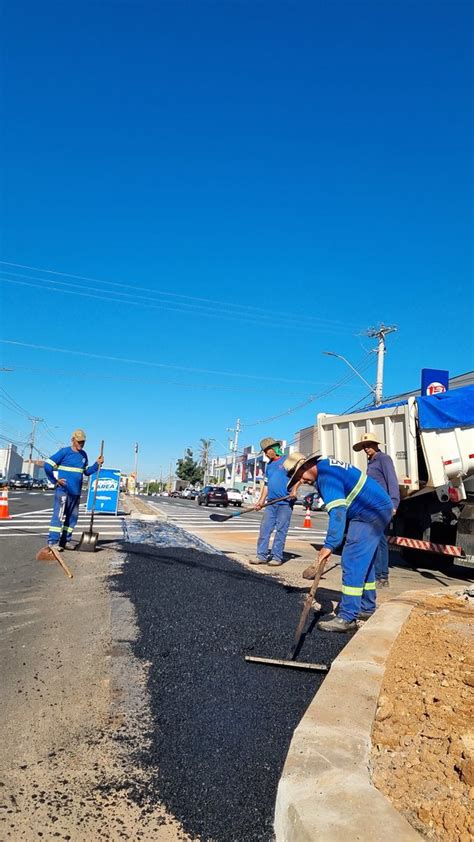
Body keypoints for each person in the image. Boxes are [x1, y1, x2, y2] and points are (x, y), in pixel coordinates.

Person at [284, 452, 393, 632]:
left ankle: (348, 618)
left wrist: (329, 545)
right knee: (364, 563)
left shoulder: (327, 478)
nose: (302, 481)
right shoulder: (327, 467)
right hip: (376, 509)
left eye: (300, 476)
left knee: (352, 560)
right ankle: (366, 607)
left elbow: (338, 512)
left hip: (368, 513)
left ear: (305, 466)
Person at [44, 429, 104, 550]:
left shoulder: (84, 455)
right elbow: (47, 465)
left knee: (72, 519)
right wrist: (55, 481)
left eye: (83, 442)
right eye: (79, 442)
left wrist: (97, 464)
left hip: (75, 493)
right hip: (63, 491)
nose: (81, 444)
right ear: (73, 440)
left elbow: (86, 472)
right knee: (59, 517)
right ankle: (53, 542)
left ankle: (65, 541)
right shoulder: (64, 452)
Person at [353, 433, 400, 588]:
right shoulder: (371, 462)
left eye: (368, 445)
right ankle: (375, 573)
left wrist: (394, 503)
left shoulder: (383, 459)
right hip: (371, 505)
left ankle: (382, 576)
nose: (366, 449)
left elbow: (392, 481)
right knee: (373, 539)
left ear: (375, 444)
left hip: (382, 505)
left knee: (380, 540)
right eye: (364, 447)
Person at [251, 437, 294, 567]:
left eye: (266, 451)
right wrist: (260, 501)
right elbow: (267, 485)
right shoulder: (269, 466)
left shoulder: (288, 461)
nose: (265, 454)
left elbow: (298, 478)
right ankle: (261, 556)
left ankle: (277, 557)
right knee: (265, 529)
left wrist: (295, 490)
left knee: (281, 530)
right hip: (270, 503)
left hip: (285, 502)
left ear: (273, 449)